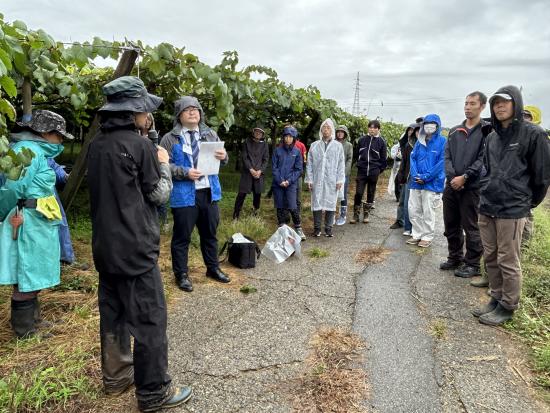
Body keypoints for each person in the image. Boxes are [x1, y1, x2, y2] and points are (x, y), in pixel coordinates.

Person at [88, 76, 191, 411]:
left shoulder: (96, 145)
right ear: (134, 112)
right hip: (135, 247)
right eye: (146, 110)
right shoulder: (141, 146)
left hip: (105, 247)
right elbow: (158, 195)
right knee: (149, 319)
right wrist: (163, 163)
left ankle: (116, 377)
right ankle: (153, 392)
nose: (149, 116)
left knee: (113, 313)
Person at [473, 86, 550, 326]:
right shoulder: (492, 136)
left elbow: (542, 176)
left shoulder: (533, 134)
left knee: (508, 259)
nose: (499, 106)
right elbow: (486, 169)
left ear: (515, 104)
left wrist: (526, 202)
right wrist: (485, 190)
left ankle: (508, 305)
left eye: (504, 102)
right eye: (496, 103)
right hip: (488, 205)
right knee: (492, 256)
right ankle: (495, 297)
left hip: (512, 209)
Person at [0, 110, 73, 339]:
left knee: (32, 272)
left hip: (36, 220)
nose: (61, 141)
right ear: (45, 133)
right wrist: (3, 214)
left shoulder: (35, 151)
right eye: (59, 136)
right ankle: (24, 330)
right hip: (28, 221)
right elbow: (12, 189)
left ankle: (33, 321)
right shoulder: (26, 151)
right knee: (27, 271)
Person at [160, 96, 229, 293]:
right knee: (182, 237)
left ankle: (213, 268)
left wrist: (224, 157)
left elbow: (223, 160)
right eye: (187, 109)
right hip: (184, 195)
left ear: (200, 114)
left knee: (210, 234)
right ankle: (181, 274)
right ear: (179, 116)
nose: (192, 112)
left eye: (195, 109)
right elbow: (162, 165)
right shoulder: (169, 139)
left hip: (209, 193)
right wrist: (184, 172)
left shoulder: (210, 135)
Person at [440, 92, 490, 280]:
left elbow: (483, 158)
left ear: (482, 106)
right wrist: (453, 178)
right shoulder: (454, 131)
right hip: (452, 186)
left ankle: (473, 264)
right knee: (450, 224)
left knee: (471, 226)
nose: (468, 107)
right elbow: (447, 156)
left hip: (472, 187)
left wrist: (466, 177)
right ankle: (455, 257)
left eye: (472, 104)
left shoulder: (487, 131)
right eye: (466, 103)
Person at [406, 114, 446, 248]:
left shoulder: (442, 142)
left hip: (432, 183)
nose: (429, 125)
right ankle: (416, 234)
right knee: (414, 209)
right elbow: (413, 158)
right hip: (416, 182)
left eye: (432, 123)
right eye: (427, 123)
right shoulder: (420, 141)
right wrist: (416, 175)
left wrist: (426, 177)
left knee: (428, 211)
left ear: (437, 125)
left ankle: (427, 236)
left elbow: (441, 163)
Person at [305, 118, 345, 237]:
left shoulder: (338, 146)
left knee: (331, 202)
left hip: (332, 179)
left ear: (332, 130)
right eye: (324, 127)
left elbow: (341, 164)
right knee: (316, 201)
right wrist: (310, 179)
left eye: (328, 128)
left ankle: (328, 228)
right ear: (321, 130)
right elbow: (309, 164)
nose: (326, 130)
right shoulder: (314, 145)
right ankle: (317, 228)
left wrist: (339, 180)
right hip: (317, 179)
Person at [271, 126, 306, 240]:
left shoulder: (297, 152)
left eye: (290, 137)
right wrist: (280, 180)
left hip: (291, 184)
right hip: (278, 184)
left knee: (292, 206)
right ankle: (282, 228)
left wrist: (289, 181)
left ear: (294, 138)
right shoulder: (277, 151)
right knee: (280, 205)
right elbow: (274, 168)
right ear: (283, 137)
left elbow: (299, 169)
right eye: (286, 136)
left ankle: (298, 228)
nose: (288, 139)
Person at [350, 120, 387, 224]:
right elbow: (356, 154)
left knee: (371, 192)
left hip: (374, 171)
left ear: (378, 129)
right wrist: (359, 164)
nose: (372, 129)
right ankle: (356, 214)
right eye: (370, 127)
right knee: (358, 192)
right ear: (368, 128)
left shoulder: (381, 142)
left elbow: (383, 159)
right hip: (362, 170)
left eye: (375, 128)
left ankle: (366, 213)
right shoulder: (362, 140)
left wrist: (378, 170)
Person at [233, 126, 269, 219]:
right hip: (247, 172)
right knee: (241, 194)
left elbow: (266, 159)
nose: (258, 133)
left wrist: (260, 171)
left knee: (257, 195)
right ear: (253, 133)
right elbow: (244, 157)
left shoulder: (265, 145)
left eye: (260, 132)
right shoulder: (247, 142)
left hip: (259, 174)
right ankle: (236, 214)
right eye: (256, 132)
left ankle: (255, 213)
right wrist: (250, 169)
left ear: (262, 135)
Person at [520, 104, 544, 246]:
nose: (524, 118)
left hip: (527, 193)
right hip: (516, 194)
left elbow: (541, 174)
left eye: (527, 115)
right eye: (522, 114)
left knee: (526, 223)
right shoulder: (519, 135)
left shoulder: (539, 136)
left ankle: (524, 249)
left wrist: (534, 200)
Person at [390, 123, 417, 229]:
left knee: (411, 202)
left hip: (415, 177)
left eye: (412, 130)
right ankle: (400, 220)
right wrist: (401, 176)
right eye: (409, 130)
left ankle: (410, 223)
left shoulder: (418, 144)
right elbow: (404, 162)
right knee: (402, 200)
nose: (410, 132)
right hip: (406, 175)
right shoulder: (406, 144)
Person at [335, 125, 353, 225]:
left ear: (345, 134)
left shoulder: (348, 145)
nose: (340, 133)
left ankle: (343, 215)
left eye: (342, 132)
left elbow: (349, 159)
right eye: (338, 131)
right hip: (333, 173)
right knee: (332, 193)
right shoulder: (332, 143)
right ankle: (332, 214)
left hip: (344, 173)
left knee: (343, 194)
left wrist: (345, 172)